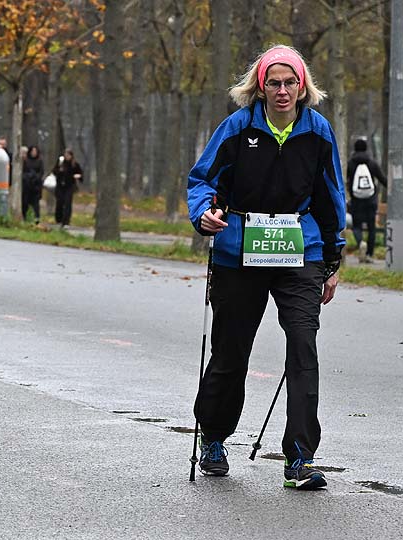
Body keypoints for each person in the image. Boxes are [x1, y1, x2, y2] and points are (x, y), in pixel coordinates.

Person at [187, 45, 345, 490]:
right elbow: (202, 180)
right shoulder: (238, 127)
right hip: (240, 250)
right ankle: (214, 438)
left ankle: (300, 458)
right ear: (260, 88)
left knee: (303, 347)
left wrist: (333, 259)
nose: (282, 91)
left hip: (300, 251)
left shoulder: (318, 130)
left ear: (302, 86)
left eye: (289, 82)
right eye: (273, 83)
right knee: (231, 350)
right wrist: (204, 214)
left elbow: (331, 195)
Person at [346, 138, 387, 263]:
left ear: (355, 148)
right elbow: (382, 179)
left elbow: (347, 180)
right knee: (371, 228)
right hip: (371, 201)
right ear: (366, 148)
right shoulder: (372, 163)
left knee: (356, 226)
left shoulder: (350, 164)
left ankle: (361, 243)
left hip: (356, 201)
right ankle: (369, 254)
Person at [52, 148, 83, 227]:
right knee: (60, 202)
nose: (67, 156)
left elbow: (80, 174)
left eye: (68, 155)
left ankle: (66, 221)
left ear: (71, 156)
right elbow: (54, 171)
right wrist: (59, 170)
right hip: (60, 186)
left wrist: (78, 176)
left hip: (69, 186)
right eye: (66, 155)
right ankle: (59, 219)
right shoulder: (60, 163)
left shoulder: (74, 164)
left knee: (67, 203)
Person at [22, 145, 44, 223]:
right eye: (32, 151)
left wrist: (35, 177)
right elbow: (23, 171)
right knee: (25, 202)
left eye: (35, 151)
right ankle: (24, 217)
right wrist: (28, 177)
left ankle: (36, 218)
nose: (34, 153)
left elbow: (41, 172)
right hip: (27, 185)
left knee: (35, 203)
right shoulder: (26, 161)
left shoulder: (40, 161)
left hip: (36, 186)